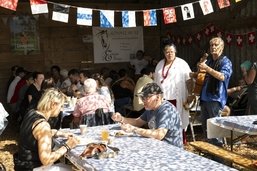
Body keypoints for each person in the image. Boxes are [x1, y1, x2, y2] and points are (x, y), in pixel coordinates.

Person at [14, 88, 79, 170]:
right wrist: (67, 146)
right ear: (53, 104)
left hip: (22, 164)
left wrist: (57, 133)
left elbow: (34, 134)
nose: (61, 109)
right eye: (61, 106)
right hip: (33, 168)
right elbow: (46, 160)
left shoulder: (31, 113)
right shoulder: (43, 126)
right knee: (73, 169)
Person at [112, 83, 183, 148]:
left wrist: (134, 129)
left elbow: (159, 135)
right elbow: (138, 122)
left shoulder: (166, 110)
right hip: (158, 146)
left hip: (171, 150)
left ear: (157, 97)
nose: (143, 100)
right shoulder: (151, 108)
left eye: (146, 98)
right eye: (142, 97)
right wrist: (121, 119)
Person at [154, 41, 191, 144]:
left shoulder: (182, 63)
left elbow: (189, 80)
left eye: (171, 52)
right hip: (163, 99)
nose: (169, 54)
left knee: (177, 120)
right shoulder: (160, 64)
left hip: (176, 98)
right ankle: (165, 142)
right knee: (164, 121)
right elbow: (156, 81)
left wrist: (190, 95)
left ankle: (179, 142)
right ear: (164, 53)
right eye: (167, 52)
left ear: (175, 52)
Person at [198, 37, 232, 144]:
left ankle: (218, 159)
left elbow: (223, 76)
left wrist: (207, 68)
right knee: (207, 132)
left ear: (222, 47)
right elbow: (202, 77)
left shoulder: (225, 61)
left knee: (216, 132)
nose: (213, 47)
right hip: (204, 99)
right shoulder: (209, 61)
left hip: (215, 99)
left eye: (216, 45)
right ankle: (209, 157)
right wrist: (197, 72)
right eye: (211, 45)